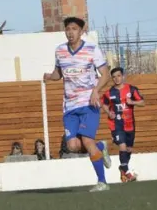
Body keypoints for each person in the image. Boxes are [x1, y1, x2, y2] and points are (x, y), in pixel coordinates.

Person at [43, 17, 113, 192]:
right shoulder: (60, 51)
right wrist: (49, 77)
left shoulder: (92, 49)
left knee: (87, 141)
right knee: (72, 146)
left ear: (82, 31)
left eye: (74, 29)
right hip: (69, 106)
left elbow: (105, 74)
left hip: (89, 103)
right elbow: (59, 72)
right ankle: (101, 147)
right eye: (67, 29)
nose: (70, 32)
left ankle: (102, 182)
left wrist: (96, 91)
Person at [102, 67, 145, 182]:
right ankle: (127, 172)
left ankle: (123, 168)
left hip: (130, 124)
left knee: (129, 149)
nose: (116, 78)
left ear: (123, 76)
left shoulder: (131, 89)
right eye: (114, 77)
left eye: (118, 76)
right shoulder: (109, 93)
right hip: (116, 124)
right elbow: (104, 104)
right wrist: (109, 112)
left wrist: (133, 102)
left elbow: (142, 102)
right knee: (122, 146)